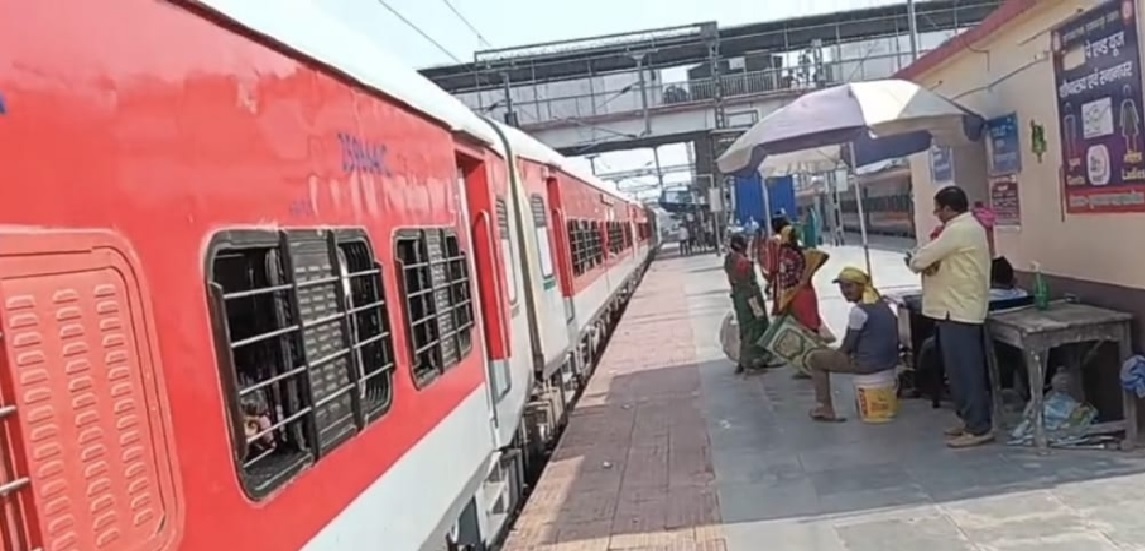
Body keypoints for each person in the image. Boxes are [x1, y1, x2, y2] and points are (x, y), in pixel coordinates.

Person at [908, 186, 993, 448]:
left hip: (959, 311)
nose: (935, 214)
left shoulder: (959, 230)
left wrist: (919, 259)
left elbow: (919, 259)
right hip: (953, 309)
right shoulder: (966, 229)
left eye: (937, 209)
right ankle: (969, 420)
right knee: (957, 372)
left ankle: (978, 426)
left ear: (948, 208)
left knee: (966, 371)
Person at [805, 267, 900, 422]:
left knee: (816, 359)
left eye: (849, 286)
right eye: (842, 287)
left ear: (862, 286)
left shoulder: (859, 311)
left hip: (867, 363)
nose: (844, 291)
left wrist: (828, 351)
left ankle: (825, 407)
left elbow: (847, 347)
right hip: (889, 362)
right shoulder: (883, 305)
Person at [724, 234, 780, 373]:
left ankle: (743, 361)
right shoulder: (743, 261)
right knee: (757, 325)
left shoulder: (729, 260)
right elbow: (749, 283)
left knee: (744, 328)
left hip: (738, 297)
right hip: (750, 297)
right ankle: (757, 358)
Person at [759, 217, 790, 298]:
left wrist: (769, 283)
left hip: (781, 281)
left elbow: (773, 265)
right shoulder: (794, 240)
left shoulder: (773, 242)